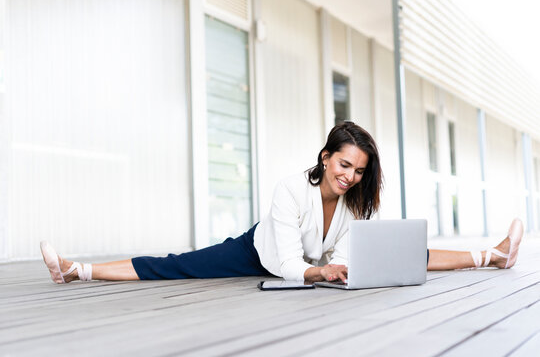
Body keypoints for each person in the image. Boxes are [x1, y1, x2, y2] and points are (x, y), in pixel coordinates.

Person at [40, 122, 524, 284]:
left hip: (316, 265)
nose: (349, 176)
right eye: (343, 165)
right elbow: (291, 264)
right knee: (177, 266)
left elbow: (344, 256)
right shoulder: (291, 190)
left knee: (401, 253)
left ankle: (492, 255)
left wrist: (342, 267)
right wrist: (323, 273)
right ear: (325, 156)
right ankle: (76, 269)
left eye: (357, 171)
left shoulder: (355, 203)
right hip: (262, 252)